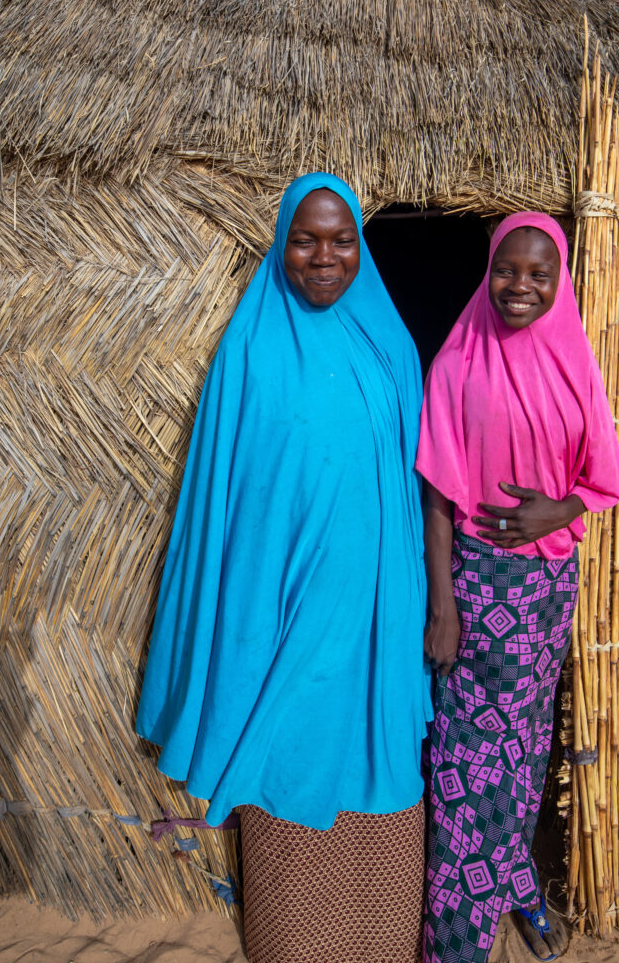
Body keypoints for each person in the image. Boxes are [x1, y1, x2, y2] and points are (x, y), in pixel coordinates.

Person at [136, 173, 431, 963]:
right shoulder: (252, 350)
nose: (324, 256)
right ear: (281, 244)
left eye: (341, 240)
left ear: (361, 246)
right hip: (283, 625)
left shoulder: (390, 347)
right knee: (287, 754)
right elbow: (227, 507)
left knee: (379, 761)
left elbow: (411, 496)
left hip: (373, 624)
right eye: (306, 239)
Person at [416, 212, 619, 963]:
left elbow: (601, 476)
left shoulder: (575, 362)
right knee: (469, 760)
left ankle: (517, 887)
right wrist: (443, 604)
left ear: (559, 278)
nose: (521, 287)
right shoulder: (458, 362)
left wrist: (558, 508)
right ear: (488, 271)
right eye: (508, 270)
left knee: (526, 748)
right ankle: (457, 939)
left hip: (547, 587)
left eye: (540, 273)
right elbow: (436, 494)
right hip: (475, 585)